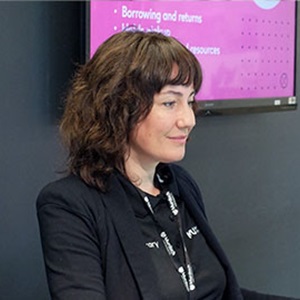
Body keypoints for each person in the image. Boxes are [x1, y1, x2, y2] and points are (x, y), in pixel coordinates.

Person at [36, 31, 297, 300]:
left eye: (190, 100)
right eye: (170, 103)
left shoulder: (180, 184)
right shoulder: (69, 205)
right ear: (117, 107)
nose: (188, 120)